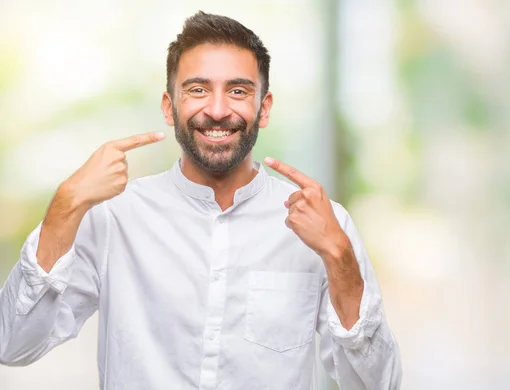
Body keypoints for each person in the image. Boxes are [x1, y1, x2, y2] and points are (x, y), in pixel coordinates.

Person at [0, 10, 401, 390]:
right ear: (168, 106)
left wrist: (339, 258)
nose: (217, 109)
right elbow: (12, 346)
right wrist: (65, 204)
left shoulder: (325, 224)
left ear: (264, 109)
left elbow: (376, 384)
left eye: (238, 91)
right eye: (197, 89)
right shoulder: (112, 218)